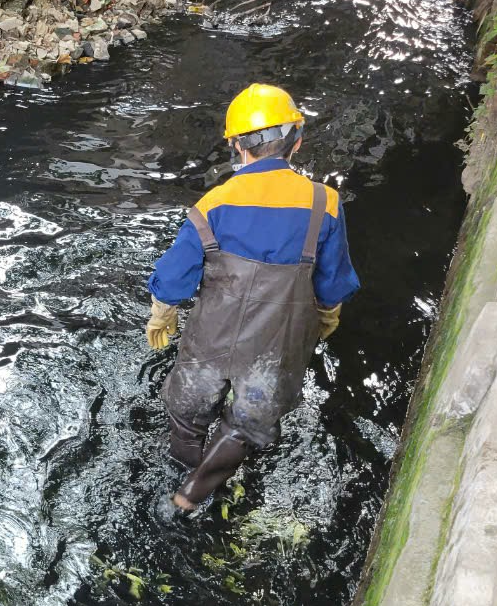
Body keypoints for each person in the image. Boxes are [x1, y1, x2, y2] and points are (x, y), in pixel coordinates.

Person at [145, 84, 360, 512]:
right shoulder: (324, 203)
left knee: (187, 413)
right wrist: (327, 314)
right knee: (247, 426)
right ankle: (191, 497)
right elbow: (333, 283)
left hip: (210, 338)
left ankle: (178, 474)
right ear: (296, 142)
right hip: (276, 347)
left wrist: (161, 314)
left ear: (236, 146)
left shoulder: (214, 203)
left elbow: (173, 277)